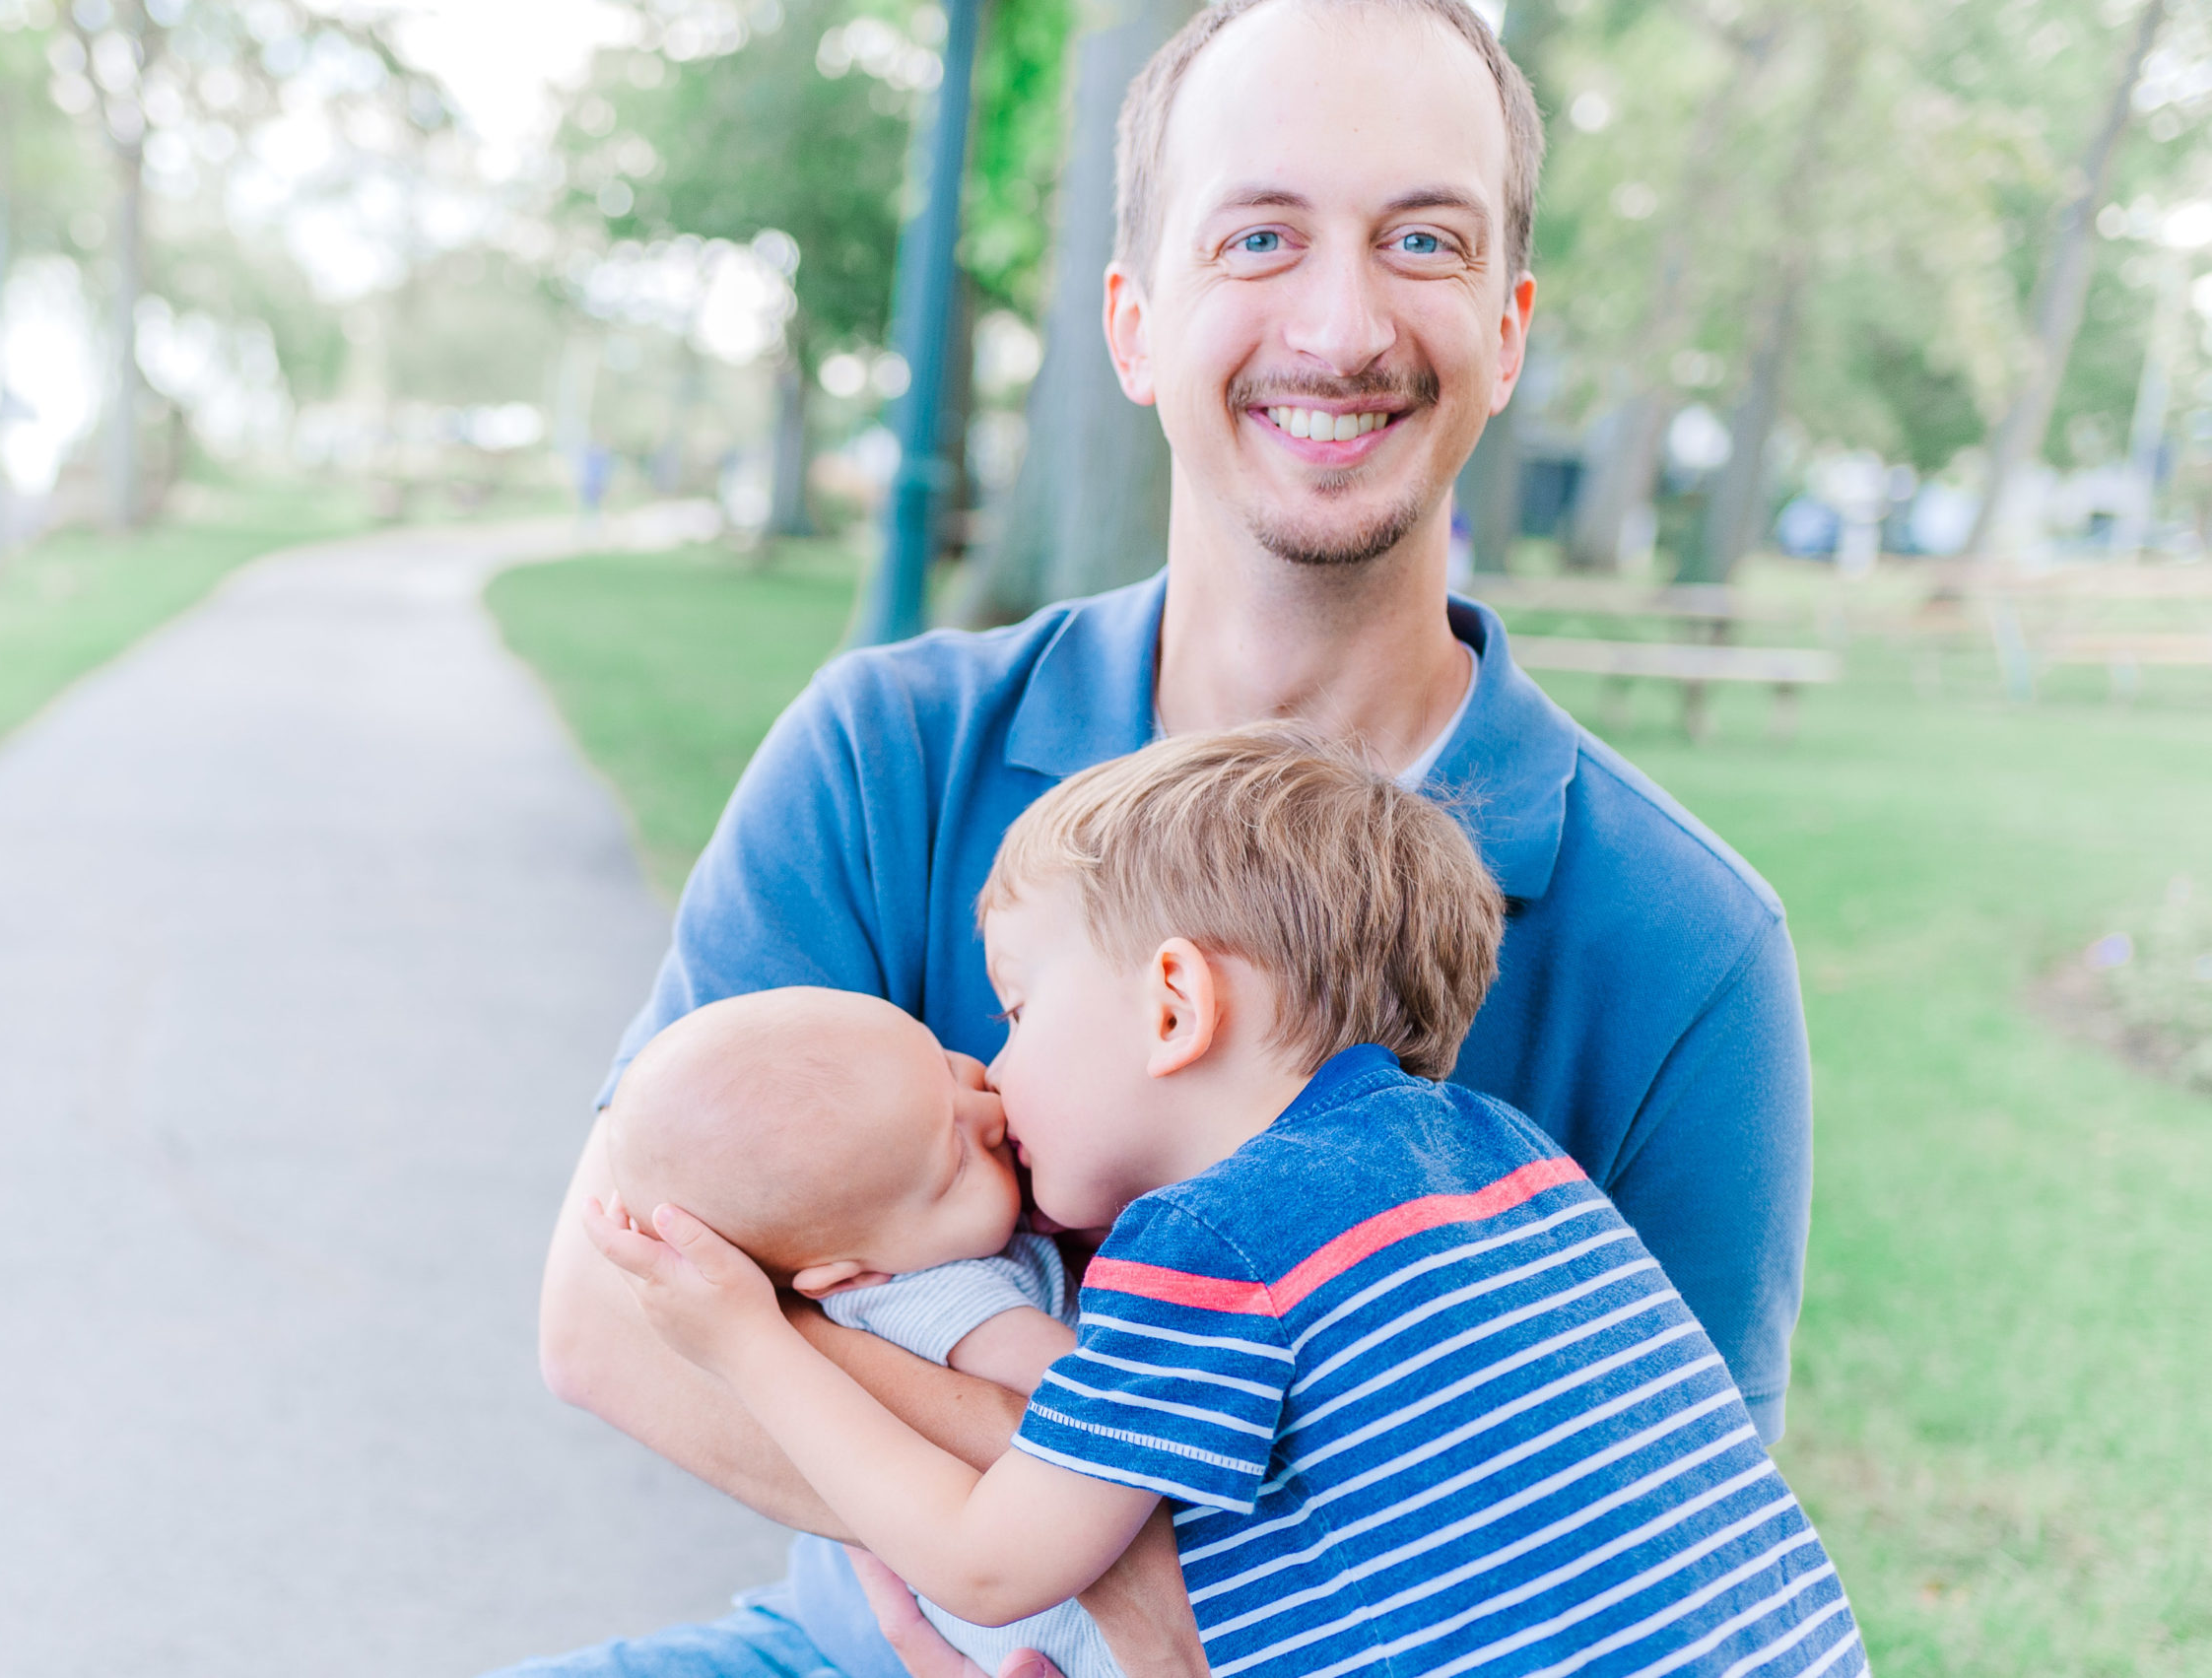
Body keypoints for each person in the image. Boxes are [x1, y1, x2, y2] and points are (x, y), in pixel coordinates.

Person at [529, 0, 1813, 1674]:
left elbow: (1661, 1547)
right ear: (1135, 324)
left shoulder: (1687, 947)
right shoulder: (891, 751)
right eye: (1260, 234)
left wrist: (1139, 1635)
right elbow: (610, 1310)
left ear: (1506, 327)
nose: (1342, 323)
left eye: (1422, 237)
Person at [587, 729, 1860, 1678]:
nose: (994, 1063)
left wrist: (750, 1339)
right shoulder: (1505, 1155)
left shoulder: (1206, 1246)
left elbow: (990, 1557)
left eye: (1020, 1007)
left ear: (1175, 1006)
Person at [606, 985, 1124, 1678]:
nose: (991, 1112)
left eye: (944, 1063)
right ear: (842, 1275)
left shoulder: (915, 1247)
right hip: (1081, 1638)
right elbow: (1091, 1388)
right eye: (958, 1163)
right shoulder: (930, 1295)